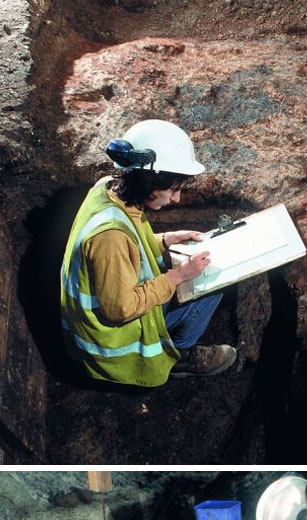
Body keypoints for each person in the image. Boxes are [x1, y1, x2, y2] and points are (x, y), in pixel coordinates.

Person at [60, 119, 237, 386]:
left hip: (101, 317)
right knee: (210, 286)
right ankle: (178, 354)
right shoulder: (110, 238)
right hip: (112, 345)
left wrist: (165, 241)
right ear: (148, 182)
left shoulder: (107, 189)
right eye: (173, 189)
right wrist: (176, 277)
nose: (176, 199)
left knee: (201, 280)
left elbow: (129, 249)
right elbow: (120, 309)